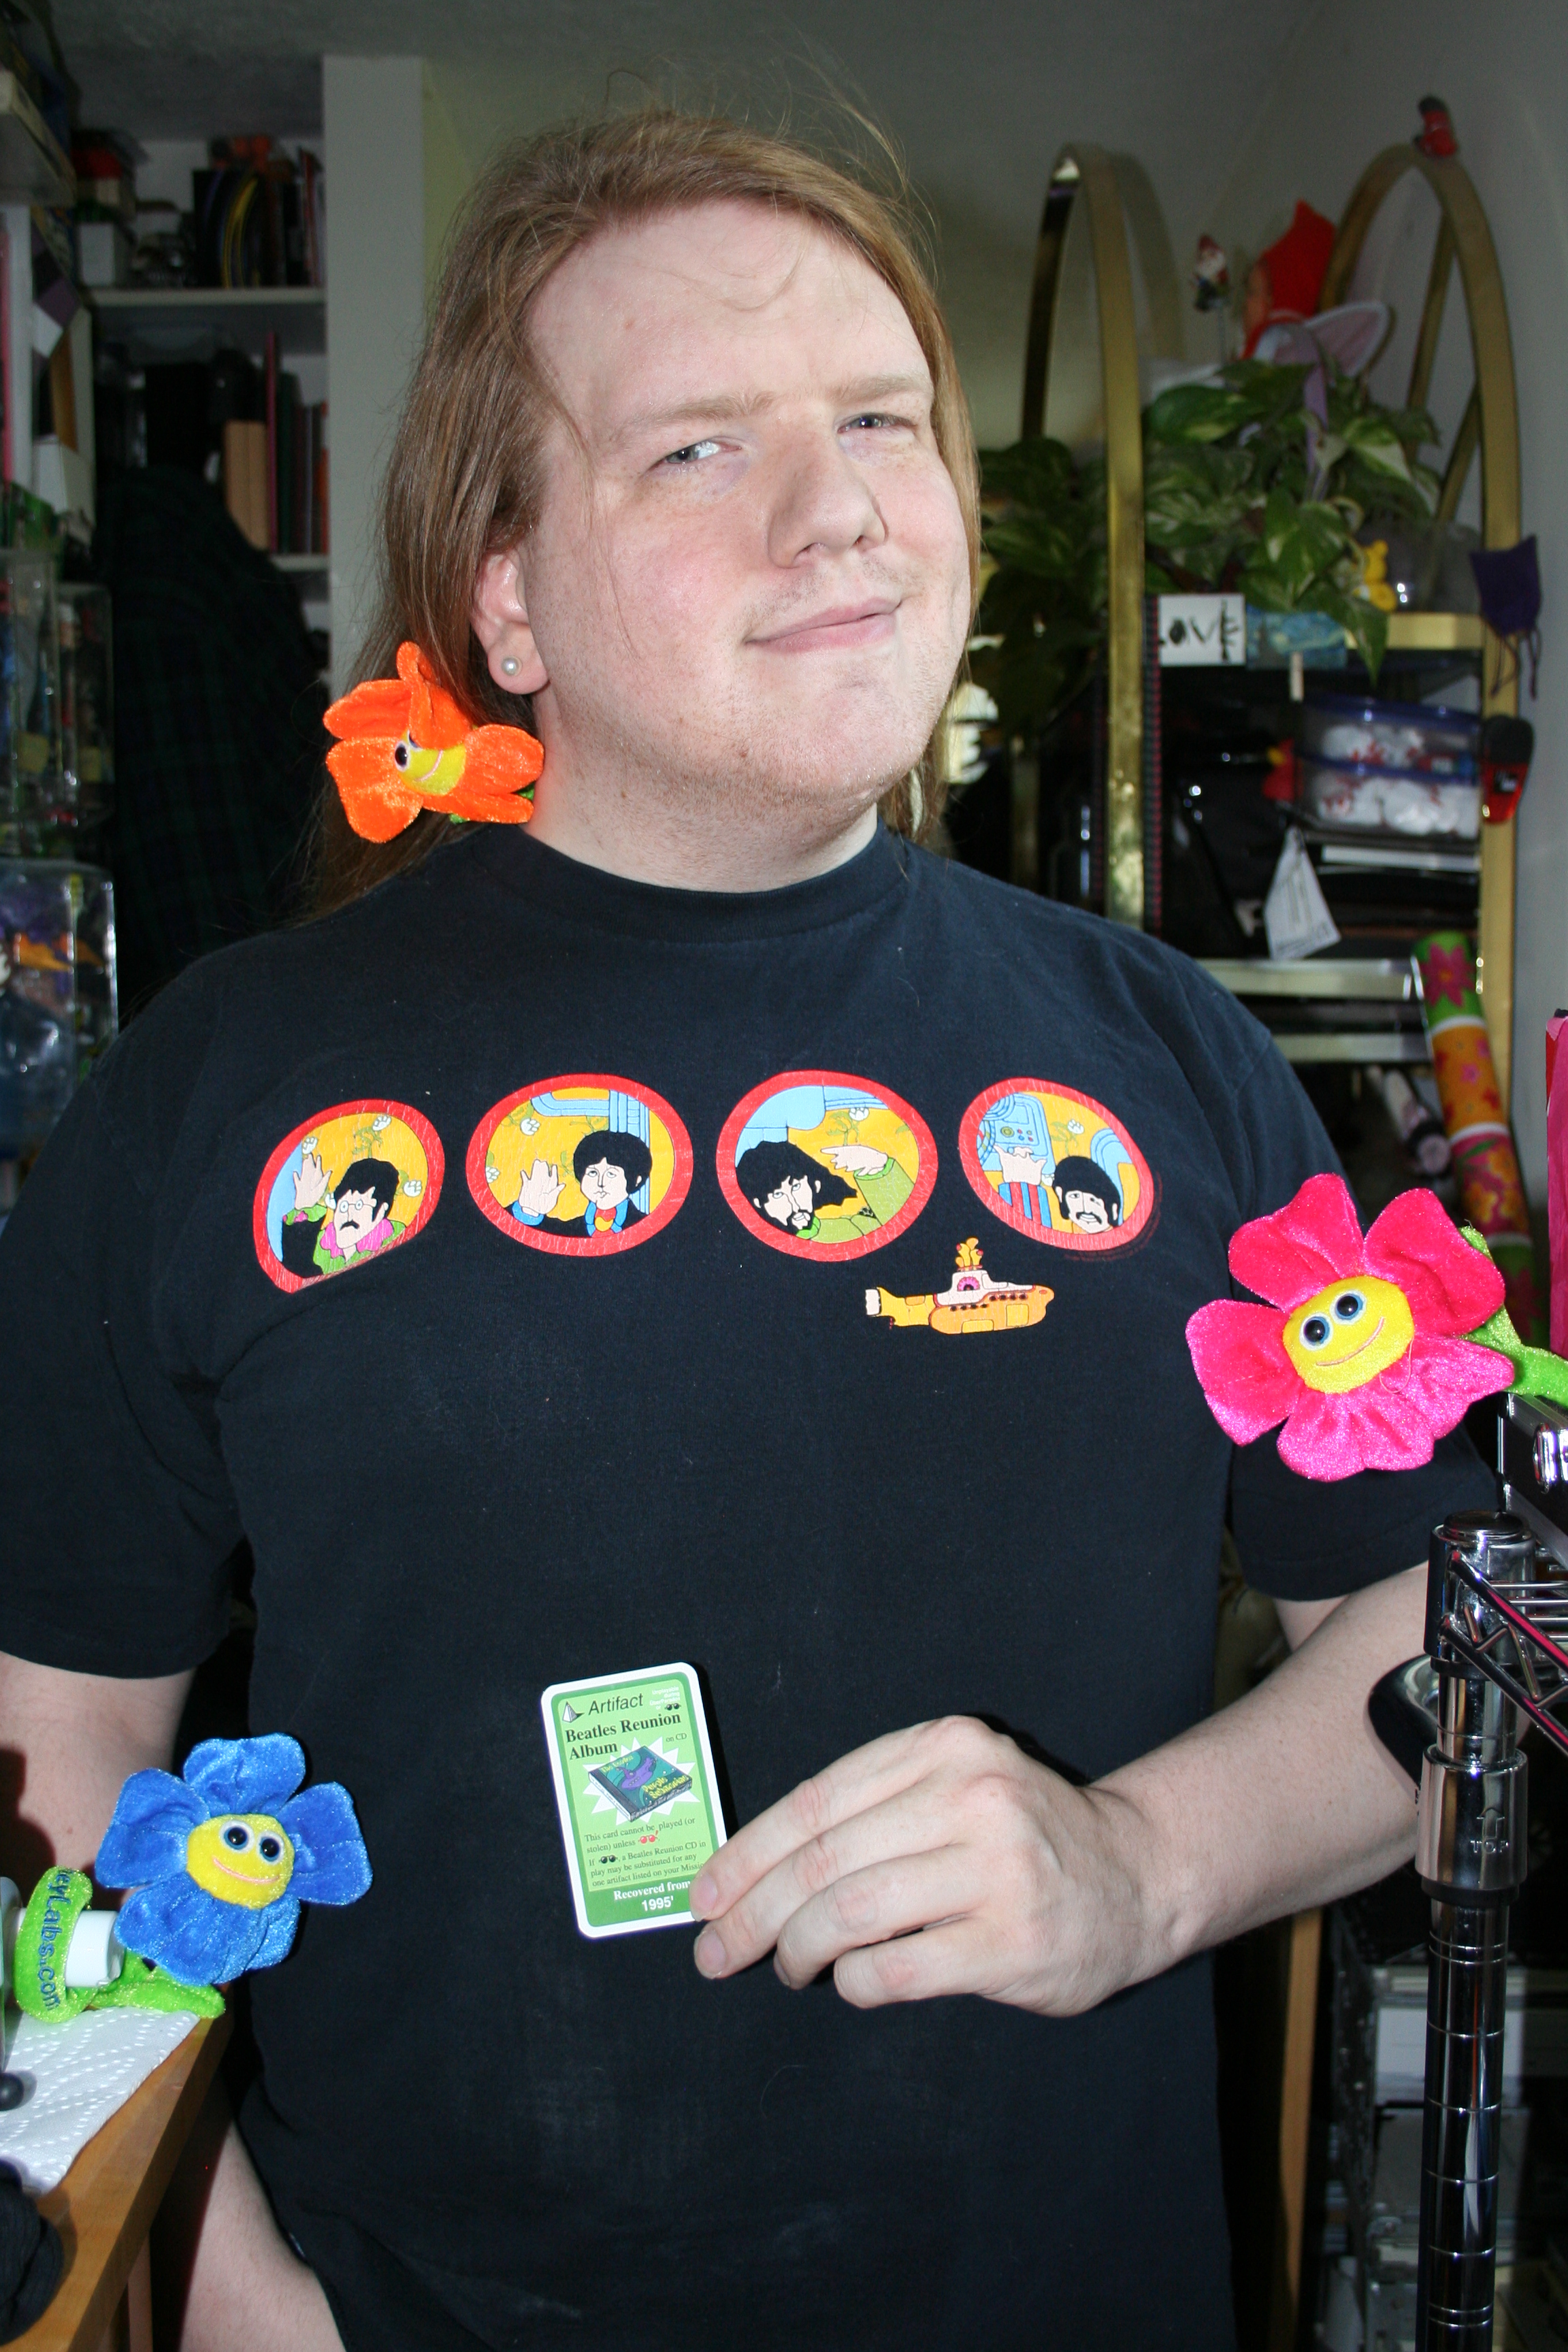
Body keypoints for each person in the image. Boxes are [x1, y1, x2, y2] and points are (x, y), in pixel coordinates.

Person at [0, 110, 1488, 2352]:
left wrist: (1141, 1864)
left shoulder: (1169, 1056)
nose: (841, 511)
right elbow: (53, 1723)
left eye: (881, 420)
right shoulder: (223, 1083)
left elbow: (1437, 1634)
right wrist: (224, 2285)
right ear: (505, 593)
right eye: (698, 446)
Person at [509, 1126, 652, 1238]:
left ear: (636, 1180)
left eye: (611, 1174)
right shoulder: (575, 1228)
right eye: (593, 1173)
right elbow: (552, 1236)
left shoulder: (645, 1226)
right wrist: (531, 1211)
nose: (601, 1183)